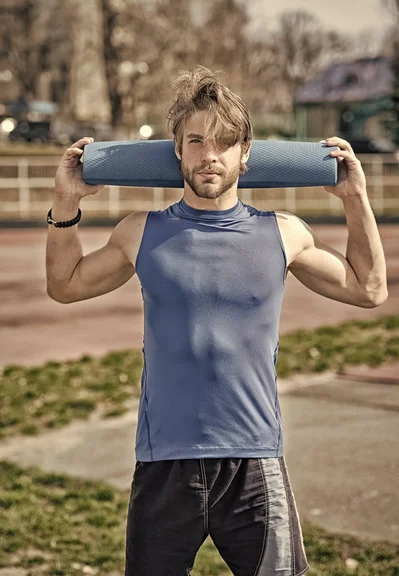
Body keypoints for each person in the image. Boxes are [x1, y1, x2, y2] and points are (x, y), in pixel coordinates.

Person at [46, 66, 388, 576]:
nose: (210, 155)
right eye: (196, 141)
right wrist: (66, 201)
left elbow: (369, 289)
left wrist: (356, 199)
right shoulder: (140, 232)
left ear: (245, 152)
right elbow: (65, 284)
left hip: (253, 461)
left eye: (225, 142)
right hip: (164, 462)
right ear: (177, 150)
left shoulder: (284, 233)